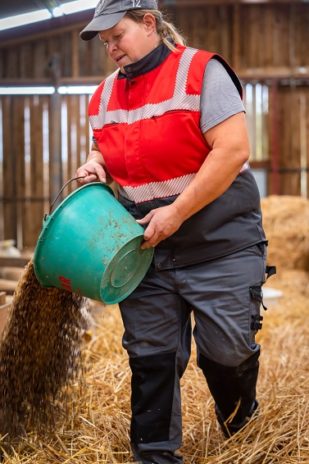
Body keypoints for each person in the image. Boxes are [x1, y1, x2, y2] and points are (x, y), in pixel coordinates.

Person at [77, 1, 272, 463]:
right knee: (151, 355)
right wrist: (95, 164)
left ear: (149, 23)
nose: (111, 48)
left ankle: (242, 432)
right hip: (145, 247)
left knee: (226, 351)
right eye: (104, 42)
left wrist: (178, 211)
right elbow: (107, 146)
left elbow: (232, 150)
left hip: (220, 241)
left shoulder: (202, 72)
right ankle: (156, 454)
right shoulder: (104, 95)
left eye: (117, 35)